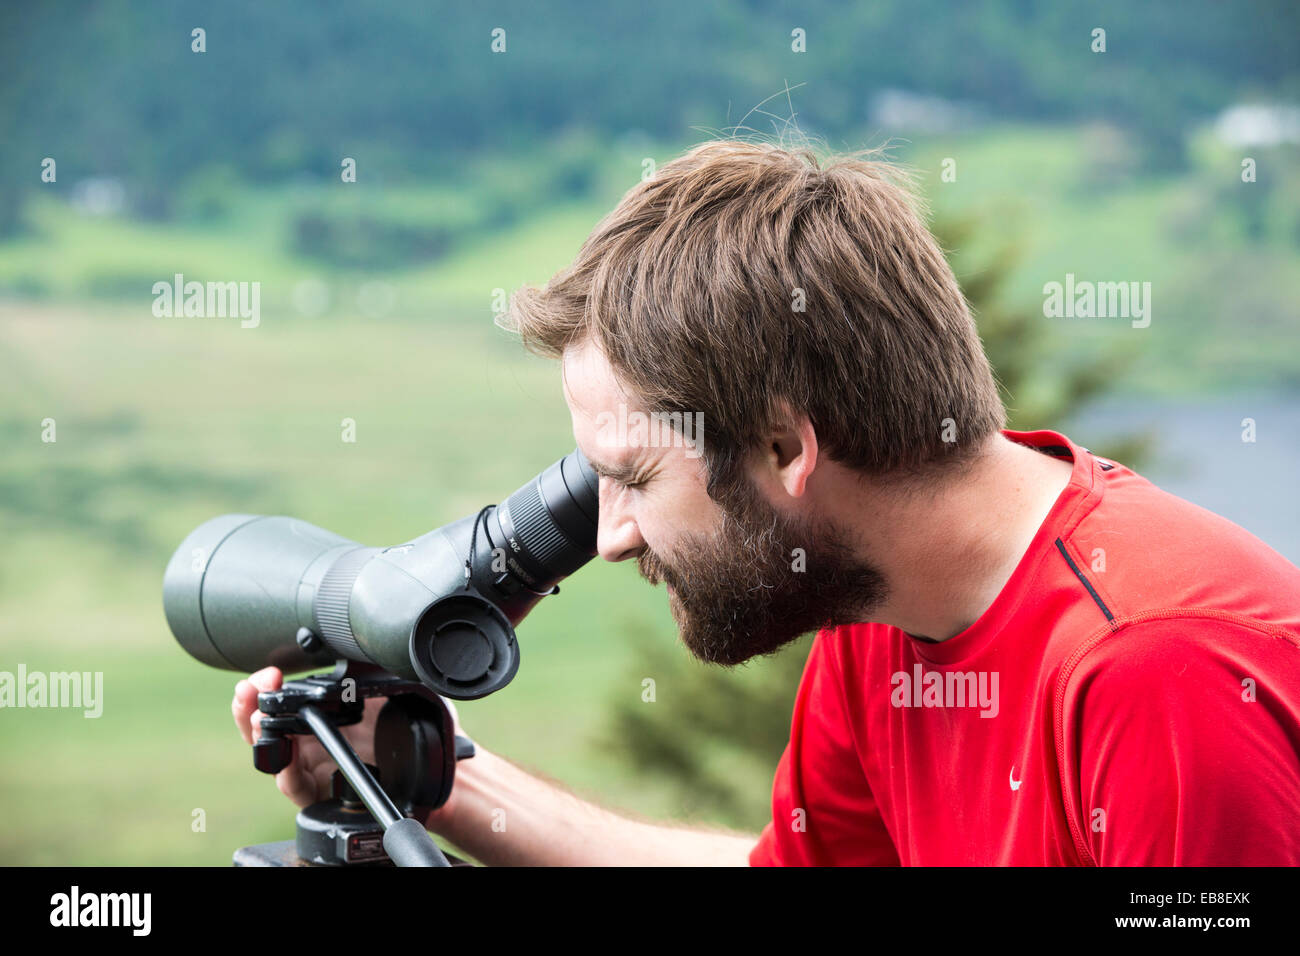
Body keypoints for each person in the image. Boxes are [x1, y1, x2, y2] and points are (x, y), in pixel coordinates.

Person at [233, 138, 1300, 865]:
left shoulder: (1157, 674)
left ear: (788, 444)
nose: (606, 538)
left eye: (636, 477)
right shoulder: (885, 605)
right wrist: (436, 780)